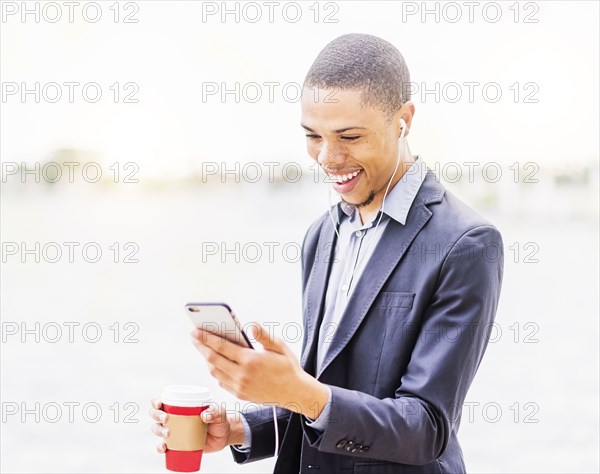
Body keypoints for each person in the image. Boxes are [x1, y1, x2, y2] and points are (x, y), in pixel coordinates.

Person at [150, 33, 504, 474]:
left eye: (350, 136)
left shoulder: (465, 243)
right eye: (312, 135)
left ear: (403, 121)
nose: (328, 157)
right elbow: (329, 390)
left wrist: (294, 390)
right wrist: (242, 427)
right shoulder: (322, 234)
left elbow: (426, 428)